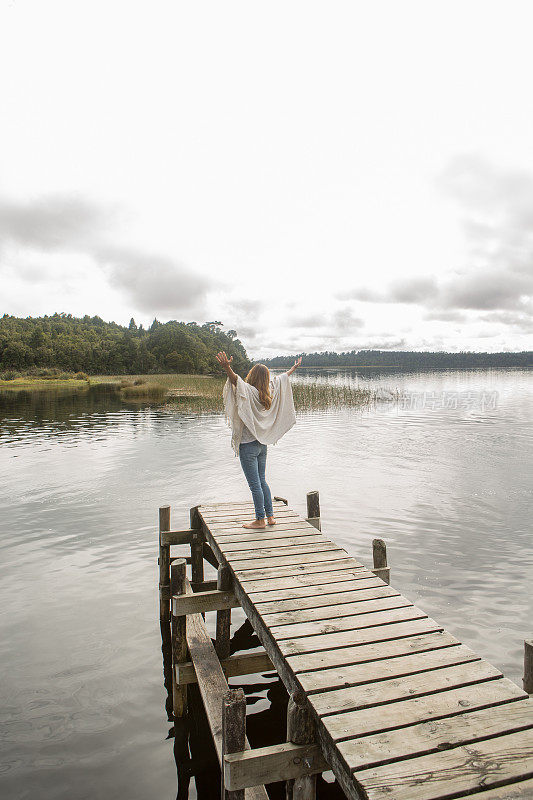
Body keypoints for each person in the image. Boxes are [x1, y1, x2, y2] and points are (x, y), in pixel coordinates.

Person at [216, 352, 302, 528]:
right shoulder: (268, 392)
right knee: (262, 482)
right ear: (266, 378)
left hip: (248, 446)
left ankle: (260, 519)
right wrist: (293, 368)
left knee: (255, 485)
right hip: (262, 445)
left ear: (252, 375)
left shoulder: (249, 391)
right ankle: (270, 517)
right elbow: (282, 379)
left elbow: (235, 381)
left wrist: (226, 367)